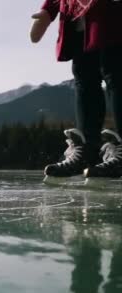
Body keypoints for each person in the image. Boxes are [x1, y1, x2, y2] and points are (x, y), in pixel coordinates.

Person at [31, 0, 122, 180]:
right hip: (79, 25)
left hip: (112, 18)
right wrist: (46, 12)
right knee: (84, 80)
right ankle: (87, 151)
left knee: (115, 74)